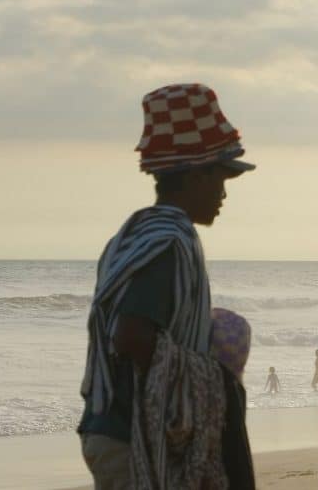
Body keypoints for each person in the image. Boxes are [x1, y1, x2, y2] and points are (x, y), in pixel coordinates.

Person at [78, 83, 256, 490]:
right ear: (195, 174)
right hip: (132, 437)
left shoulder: (135, 232)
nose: (224, 193)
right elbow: (131, 336)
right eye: (220, 177)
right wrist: (214, 380)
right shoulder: (169, 243)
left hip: (112, 428)